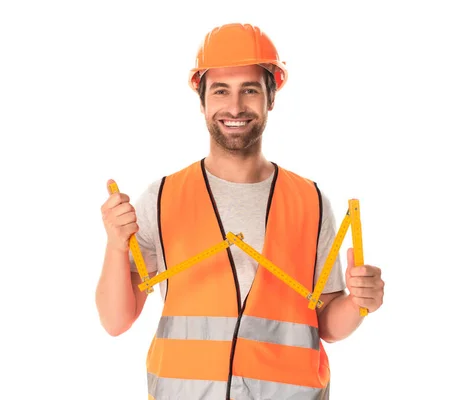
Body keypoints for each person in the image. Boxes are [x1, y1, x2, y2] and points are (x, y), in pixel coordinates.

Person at [95, 22, 385, 400]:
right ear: (202, 102)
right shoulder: (163, 197)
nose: (234, 107)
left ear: (271, 98)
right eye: (220, 91)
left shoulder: (310, 202)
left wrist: (359, 304)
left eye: (249, 90)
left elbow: (327, 324)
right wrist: (116, 246)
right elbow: (116, 321)